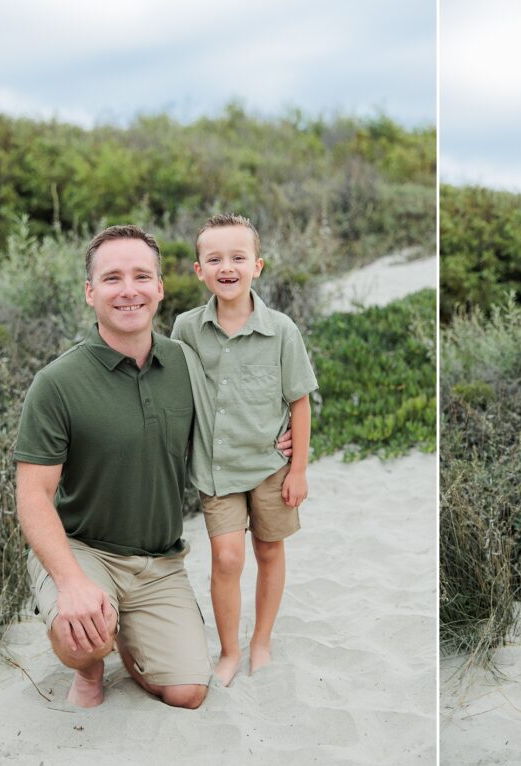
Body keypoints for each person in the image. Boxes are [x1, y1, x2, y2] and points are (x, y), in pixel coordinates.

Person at [15, 225, 212, 709]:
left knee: (187, 693)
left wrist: (283, 436)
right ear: (90, 292)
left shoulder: (186, 364)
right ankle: (89, 669)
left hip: (160, 563)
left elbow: (234, 421)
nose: (129, 290)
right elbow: (32, 496)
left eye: (142, 276)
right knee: (80, 632)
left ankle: (125, 631)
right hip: (83, 550)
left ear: (161, 288)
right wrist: (71, 581)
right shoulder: (57, 383)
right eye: (112, 278)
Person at [171, 213, 318, 686]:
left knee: (269, 551)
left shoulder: (282, 330)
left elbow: (299, 401)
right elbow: (173, 390)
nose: (226, 266)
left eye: (237, 257)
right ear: (199, 270)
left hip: (271, 466)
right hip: (215, 468)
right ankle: (230, 650)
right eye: (214, 258)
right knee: (228, 558)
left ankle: (262, 643)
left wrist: (299, 468)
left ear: (258, 265)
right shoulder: (187, 329)